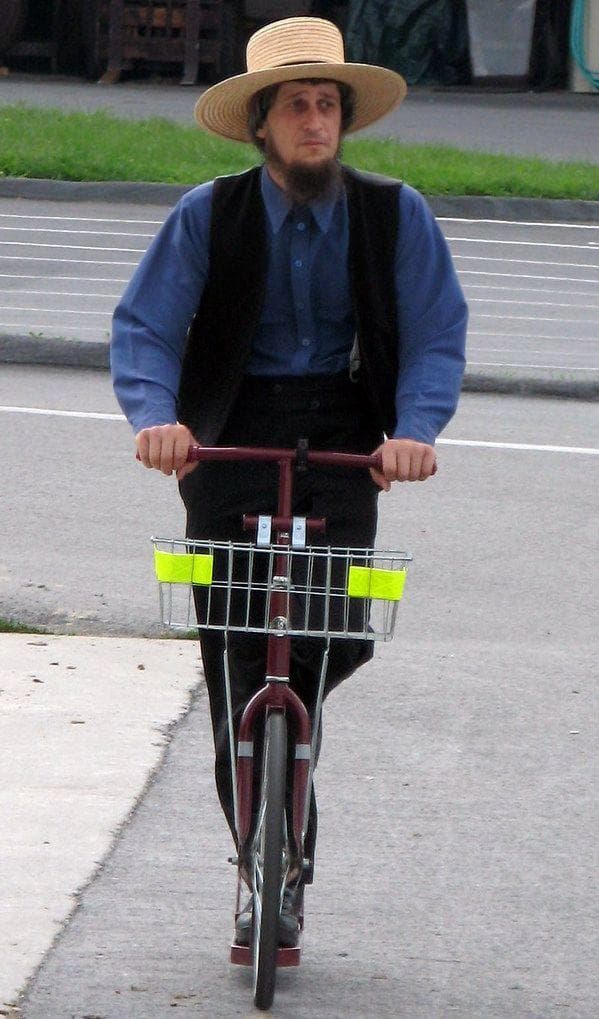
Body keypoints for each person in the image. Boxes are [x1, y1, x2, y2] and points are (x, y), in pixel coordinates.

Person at [111, 15, 468, 947]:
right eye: (296, 106)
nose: (314, 122)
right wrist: (158, 420)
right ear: (260, 124)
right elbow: (146, 329)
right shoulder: (207, 214)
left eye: (326, 106)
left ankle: (292, 728)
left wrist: (413, 432)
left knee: (323, 637)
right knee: (237, 662)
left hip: (345, 438)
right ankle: (264, 869)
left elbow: (434, 333)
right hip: (231, 439)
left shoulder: (393, 213)